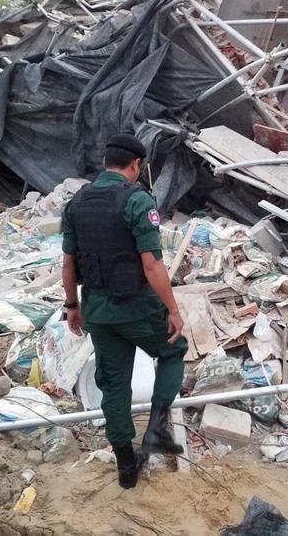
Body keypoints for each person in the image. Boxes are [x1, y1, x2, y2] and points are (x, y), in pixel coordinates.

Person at [61, 133, 188, 490]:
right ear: (136, 166)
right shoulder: (137, 201)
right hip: (136, 305)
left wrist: (72, 306)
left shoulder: (76, 204)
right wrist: (173, 310)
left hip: (97, 309)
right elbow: (151, 265)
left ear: (105, 164)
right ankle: (157, 430)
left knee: (114, 384)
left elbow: (68, 264)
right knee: (173, 351)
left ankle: (125, 464)